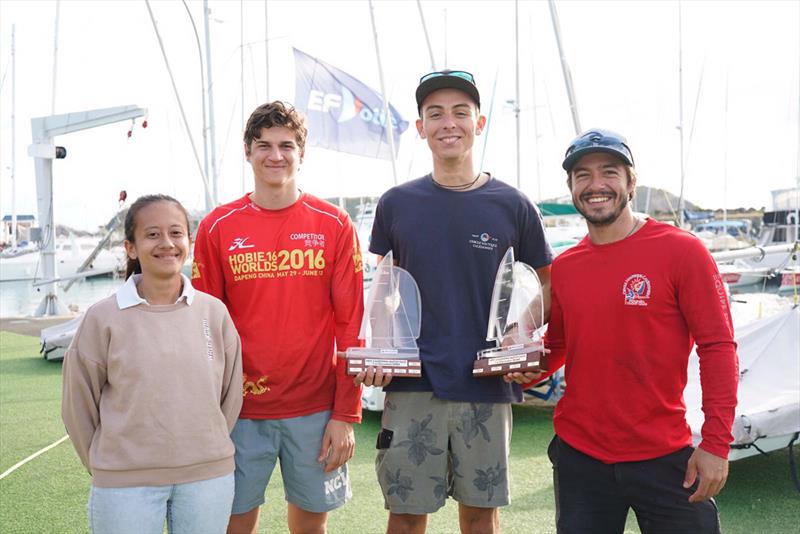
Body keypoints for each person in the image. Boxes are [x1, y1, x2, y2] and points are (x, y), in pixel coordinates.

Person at [357, 70, 554, 534]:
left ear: (479, 123)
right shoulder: (397, 203)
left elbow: (547, 284)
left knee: (480, 516)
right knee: (405, 515)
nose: (449, 123)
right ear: (421, 127)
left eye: (460, 113)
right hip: (412, 384)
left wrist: (519, 332)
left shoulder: (514, 204)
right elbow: (385, 286)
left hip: (486, 382)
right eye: (436, 114)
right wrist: (384, 348)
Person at [543, 129, 739, 533]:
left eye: (609, 172)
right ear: (572, 188)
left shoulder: (683, 251)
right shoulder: (565, 266)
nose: (596, 185)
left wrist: (716, 443)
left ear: (631, 183)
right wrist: (522, 364)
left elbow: (718, 347)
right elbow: (560, 346)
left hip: (666, 456)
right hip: (580, 458)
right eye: (583, 175)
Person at [192, 101, 364, 534]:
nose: (275, 155)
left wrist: (345, 413)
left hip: (316, 409)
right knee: (232, 521)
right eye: (263, 145)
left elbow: (351, 325)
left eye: (286, 145)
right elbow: (203, 330)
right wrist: (207, 411)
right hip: (238, 410)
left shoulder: (335, 224)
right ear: (247, 151)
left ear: (301, 153)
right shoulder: (217, 226)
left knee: (309, 524)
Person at [61, 194, 243, 534]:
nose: (167, 244)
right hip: (125, 484)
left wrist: (204, 448)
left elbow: (230, 396)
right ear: (131, 247)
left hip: (208, 478)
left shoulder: (213, 312)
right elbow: (78, 405)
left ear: (189, 241)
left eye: (176, 233)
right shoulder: (103, 318)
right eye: (153, 234)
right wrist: (110, 464)